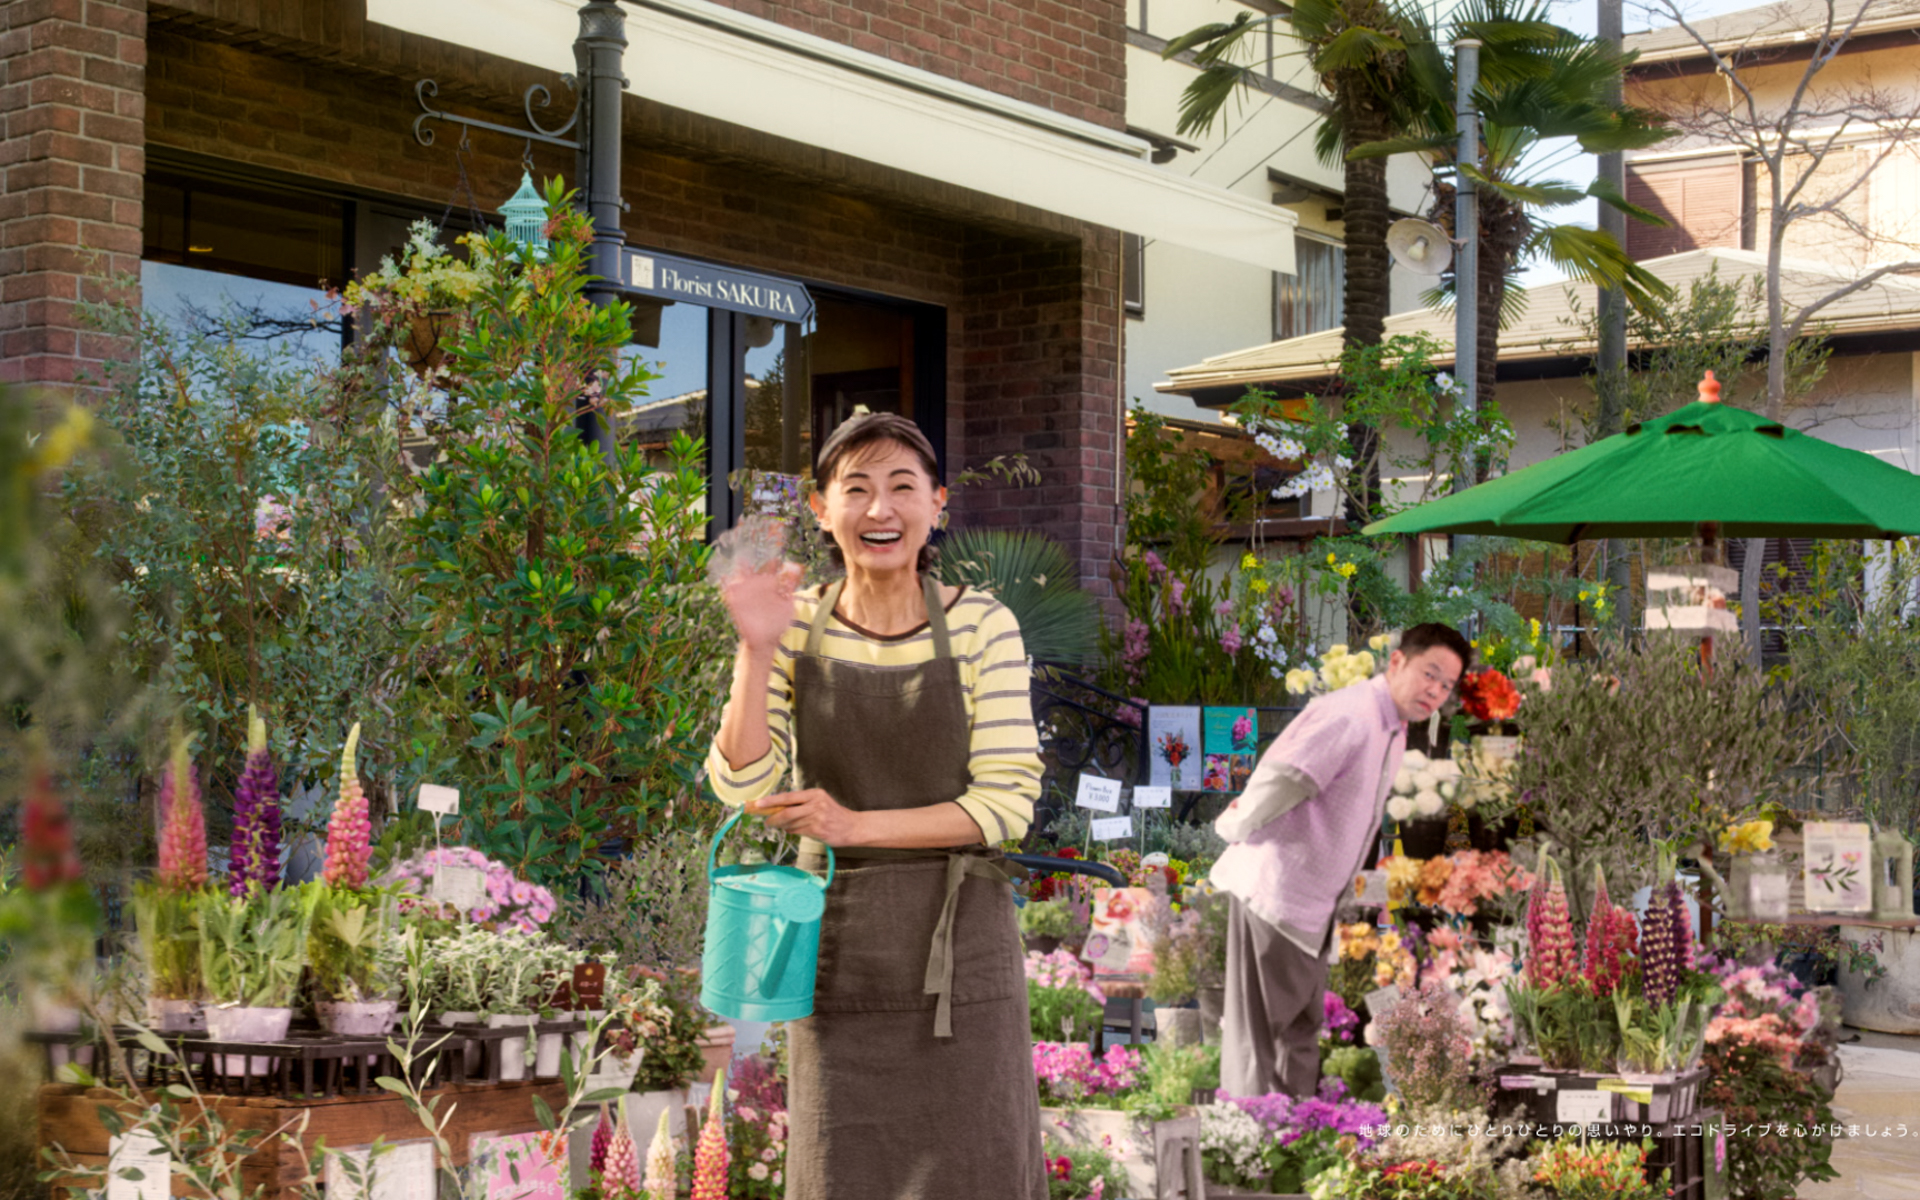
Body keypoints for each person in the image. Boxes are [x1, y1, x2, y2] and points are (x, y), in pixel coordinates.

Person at [707, 412, 1047, 1200]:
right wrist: (755, 651)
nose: (880, 509)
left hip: (962, 950)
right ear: (822, 511)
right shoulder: (795, 625)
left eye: (902, 487)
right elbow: (741, 783)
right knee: (839, 1172)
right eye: (855, 489)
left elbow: (1005, 805)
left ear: (940, 505)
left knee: (979, 1171)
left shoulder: (982, 623)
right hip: (836, 951)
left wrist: (853, 826)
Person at [1210, 623, 1471, 1100]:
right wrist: (1233, 827)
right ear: (1396, 663)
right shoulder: (1351, 715)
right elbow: (1285, 776)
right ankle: (1246, 1156)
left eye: (1446, 685)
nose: (1435, 690)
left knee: (1302, 1031)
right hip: (1276, 891)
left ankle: (1295, 1139)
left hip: (1314, 904)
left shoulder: (1392, 727)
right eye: (1429, 674)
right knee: (1260, 1040)